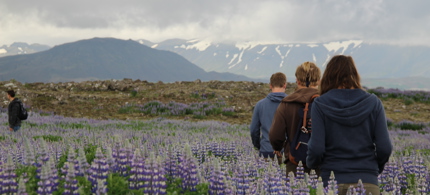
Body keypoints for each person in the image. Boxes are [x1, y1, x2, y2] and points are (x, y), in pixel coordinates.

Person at [306, 55, 392, 195]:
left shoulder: (320, 104)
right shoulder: (374, 102)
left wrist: (311, 164)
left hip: (332, 184)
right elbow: (385, 147)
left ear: (328, 76)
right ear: (354, 75)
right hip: (367, 182)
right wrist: (374, 168)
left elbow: (316, 148)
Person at [269, 62, 321, 175]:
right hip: (322, 165)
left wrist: (277, 147)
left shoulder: (287, 103)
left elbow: (275, 134)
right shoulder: (326, 101)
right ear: (318, 81)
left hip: (294, 162)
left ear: (297, 80)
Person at [250, 72, 287, 161]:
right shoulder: (291, 104)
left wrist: (259, 146)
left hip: (266, 150)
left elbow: (254, 130)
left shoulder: (260, 104)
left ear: (270, 85)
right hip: (286, 152)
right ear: (285, 85)